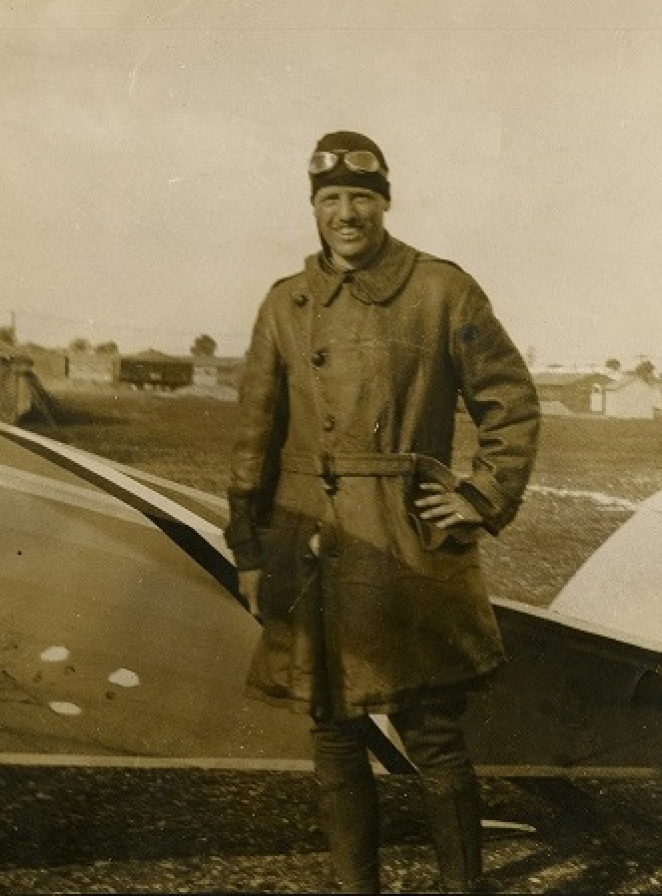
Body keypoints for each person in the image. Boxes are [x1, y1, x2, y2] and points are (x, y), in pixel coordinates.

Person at [225, 130, 540, 894]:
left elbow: (512, 403)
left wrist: (478, 496)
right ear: (313, 208)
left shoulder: (441, 292)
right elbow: (253, 436)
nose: (346, 214)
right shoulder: (285, 305)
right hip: (313, 546)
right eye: (329, 199)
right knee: (333, 731)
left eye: (361, 197)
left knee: (432, 734)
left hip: (408, 546)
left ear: (385, 202)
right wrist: (248, 548)